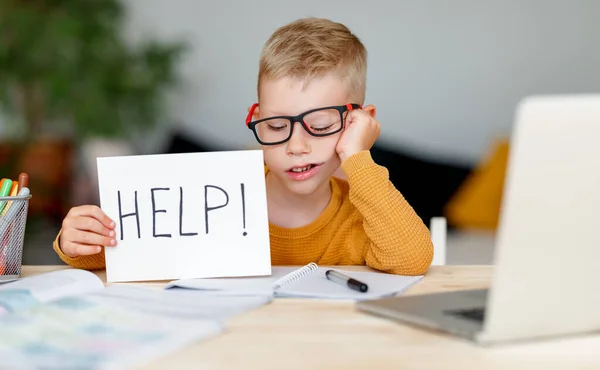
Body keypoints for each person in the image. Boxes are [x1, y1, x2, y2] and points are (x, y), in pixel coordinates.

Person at [53, 17, 434, 275]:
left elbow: (413, 257)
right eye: (276, 125)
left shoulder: (361, 213)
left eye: (319, 126)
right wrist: (80, 241)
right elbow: (119, 252)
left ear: (357, 123)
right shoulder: (212, 195)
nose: (295, 145)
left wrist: (358, 158)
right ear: (256, 116)